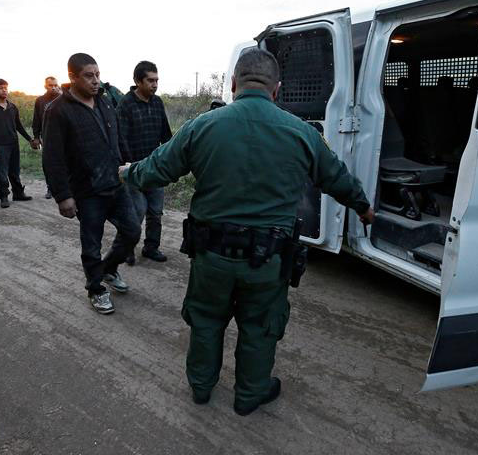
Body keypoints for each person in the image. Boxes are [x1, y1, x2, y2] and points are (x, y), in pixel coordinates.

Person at [121, 49, 375, 415]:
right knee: (260, 327)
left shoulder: (202, 126)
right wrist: (363, 207)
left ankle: (201, 387)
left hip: (212, 257)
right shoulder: (302, 133)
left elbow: (155, 169)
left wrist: (126, 172)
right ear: (277, 90)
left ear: (234, 84)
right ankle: (249, 395)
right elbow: (337, 178)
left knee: (206, 320)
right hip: (268, 261)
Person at [42, 53, 141, 315]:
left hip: (115, 183)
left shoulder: (105, 102)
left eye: (97, 74)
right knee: (91, 245)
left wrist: (129, 166)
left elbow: (117, 138)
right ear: (72, 77)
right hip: (87, 192)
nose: (96, 80)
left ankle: (108, 269)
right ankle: (96, 288)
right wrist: (63, 195)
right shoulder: (58, 111)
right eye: (89, 75)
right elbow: (53, 157)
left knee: (132, 231)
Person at [117, 61, 172, 265]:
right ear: (137, 81)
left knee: (156, 212)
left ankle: (151, 247)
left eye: (157, 80)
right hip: (134, 169)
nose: (155, 84)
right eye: (150, 80)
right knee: (136, 213)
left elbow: (166, 135)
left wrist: (169, 159)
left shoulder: (157, 102)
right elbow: (120, 138)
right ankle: (127, 249)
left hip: (155, 168)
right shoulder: (126, 104)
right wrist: (129, 166)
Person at [0, 78, 35, 208]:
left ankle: (18, 193)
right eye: (0, 88)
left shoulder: (12, 107)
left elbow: (19, 126)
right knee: (1, 172)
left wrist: (30, 139)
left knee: (14, 171)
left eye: (5, 87)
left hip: (13, 143)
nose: (4, 90)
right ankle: (4, 196)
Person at [32, 76, 62, 199]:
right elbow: (36, 120)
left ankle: (66, 188)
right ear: (45, 86)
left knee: (65, 163)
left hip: (64, 137)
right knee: (49, 164)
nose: (53, 87)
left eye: (55, 85)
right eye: (50, 85)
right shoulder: (40, 100)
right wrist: (36, 137)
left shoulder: (64, 98)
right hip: (47, 137)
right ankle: (51, 187)